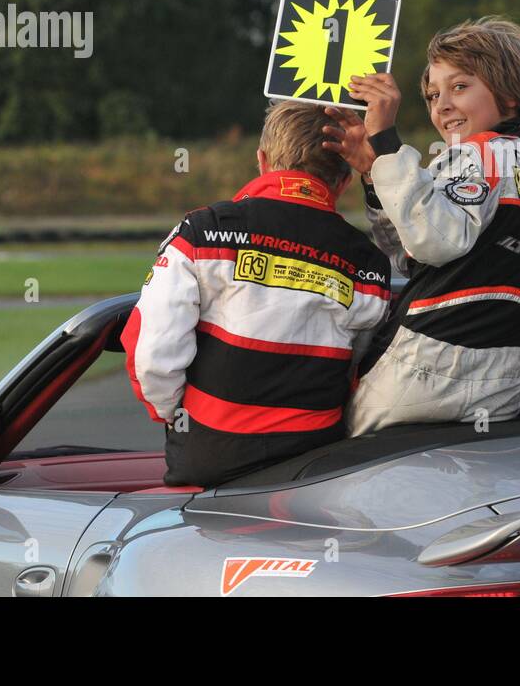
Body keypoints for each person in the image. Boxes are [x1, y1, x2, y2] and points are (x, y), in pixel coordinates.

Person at [121, 101, 391, 487]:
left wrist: (177, 416)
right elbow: (361, 376)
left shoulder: (204, 230)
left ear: (262, 160)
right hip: (317, 469)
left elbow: (151, 354)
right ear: (345, 182)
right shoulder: (369, 261)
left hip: (210, 460)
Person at [321, 18, 520, 436]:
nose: (442, 105)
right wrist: (376, 174)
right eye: (433, 95)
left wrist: (388, 142)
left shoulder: (479, 154)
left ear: (510, 94)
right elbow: (412, 254)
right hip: (496, 379)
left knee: (334, 469)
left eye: (460, 87)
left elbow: (433, 240)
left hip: (425, 370)